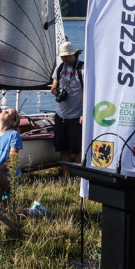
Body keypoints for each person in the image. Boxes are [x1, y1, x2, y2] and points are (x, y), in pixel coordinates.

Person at [50, 40, 84, 178]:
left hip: (77, 115)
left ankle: (77, 177)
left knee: (78, 150)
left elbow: (89, 91)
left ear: (73, 54)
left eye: (66, 56)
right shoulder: (59, 68)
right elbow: (53, 87)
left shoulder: (82, 68)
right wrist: (56, 92)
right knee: (63, 148)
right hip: (61, 115)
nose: (63, 59)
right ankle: (66, 178)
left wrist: (84, 113)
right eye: (62, 56)